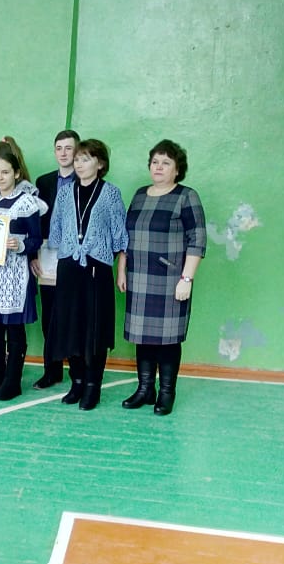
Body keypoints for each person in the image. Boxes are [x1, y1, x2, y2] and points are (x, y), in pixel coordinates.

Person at [119, 140, 206, 416]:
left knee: (168, 339)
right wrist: (122, 269)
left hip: (170, 281)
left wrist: (186, 279)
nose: (158, 167)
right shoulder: (139, 195)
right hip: (138, 277)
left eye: (166, 163)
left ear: (177, 169)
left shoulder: (186, 196)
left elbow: (197, 240)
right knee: (142, 337)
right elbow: (126, 236)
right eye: (155, 162)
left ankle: (167, 393)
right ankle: (145, 389)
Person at [47, 138, 127, 411]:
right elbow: (56, 228)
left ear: (100, 163)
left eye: (86, 159)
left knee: (94, 329)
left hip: (97, 269)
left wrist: (118, 268)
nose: (79, 164)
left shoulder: (111, 193)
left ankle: (93, 386)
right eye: (77, 159)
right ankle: (77, 381)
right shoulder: (64, 192)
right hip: (69, 267)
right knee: (70, 326)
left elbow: (119, 235)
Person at [0, 150, 44, 401]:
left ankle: (13, 381)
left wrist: (20, 245)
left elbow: (36, 239)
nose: (0, 177)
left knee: (14, 329)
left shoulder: (27, 203)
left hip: (14, 274)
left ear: (16, 173)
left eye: (5, 172)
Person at [31, 129, 80, 390]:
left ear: (78, 151)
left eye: (68, 148)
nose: (63, 153)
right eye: (59, 148)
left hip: (76, 258)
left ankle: (78, 373)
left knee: (73, 315)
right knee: (49, 315)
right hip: (47, 256)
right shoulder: (44, 182)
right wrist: (32, 255)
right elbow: (35, 221)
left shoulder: (85, 181)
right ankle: (52, 370)